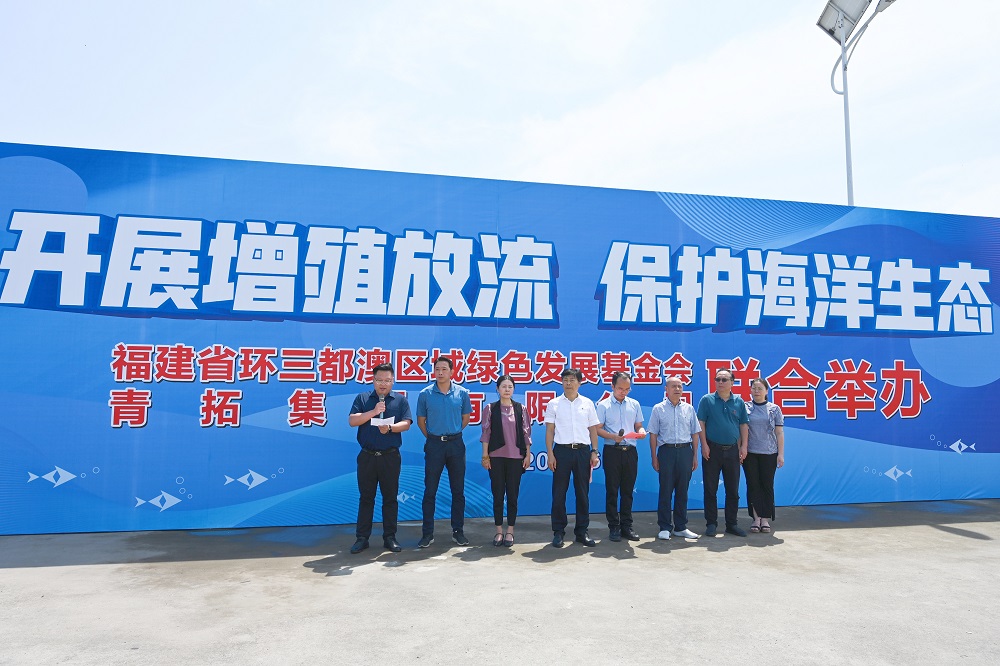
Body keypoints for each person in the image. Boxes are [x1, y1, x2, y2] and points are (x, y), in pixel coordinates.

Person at [347, 363, 412, 554]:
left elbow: (406, 423)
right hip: (367, 457)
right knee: (366, 498)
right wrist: (373, 412)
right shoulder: (363, 398)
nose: (383, 384)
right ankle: (362, 538)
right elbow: (352, 421)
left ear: (393, 381)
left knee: (390, 498)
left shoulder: (400, 400)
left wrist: (390, 428)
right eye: (379, 380)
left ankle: (390, 537)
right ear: (373, 380)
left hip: (390, 457)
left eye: (387, 380)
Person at [417, 356, 473, 547]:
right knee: (430, 490)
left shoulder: (462, 393)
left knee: (458, 490)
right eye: (437, 369)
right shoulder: (425, 394)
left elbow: (465, 418)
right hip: (434, 445)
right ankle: (427, 533)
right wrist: (434, 437)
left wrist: (453, 432)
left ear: (452, 372)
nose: (440, 373)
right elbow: (421, 421)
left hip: (456, 445)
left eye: (444, 369)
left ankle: (458, 531)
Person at [544, 368, 601, 548]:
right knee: (559, 493)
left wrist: (594, 451)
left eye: (572, 380)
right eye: (565, 380)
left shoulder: (587, 403)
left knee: (582, 493)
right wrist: (550, 454)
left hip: (583, 452)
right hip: (561, 451)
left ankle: (582, 531)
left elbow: (593, 429)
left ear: (579, 383)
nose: (568, 383)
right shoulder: (554, 403)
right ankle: (558, 531)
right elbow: (550, 430)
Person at [479, 375, 532, 547]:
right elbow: (486, 433)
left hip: (516, 458)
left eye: (510, 386)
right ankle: (498, 531)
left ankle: (510, 531)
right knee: (498, 494)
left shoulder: (520, 408)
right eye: (503, 386)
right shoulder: (490, 408)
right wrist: (485, 455)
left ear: (514, 389)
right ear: (497, 389)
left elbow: (526, 433)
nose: (507, 389)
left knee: (513, 495)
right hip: (495, 458)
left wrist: (527, 454)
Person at [697, 368, 749, 537]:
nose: (720, 382)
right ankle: (711, 523)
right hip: (712, 450)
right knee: (710, 489)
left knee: (732, 490)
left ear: (732, 382)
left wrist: (744, 446)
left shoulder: (739, 402)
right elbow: (701, 423)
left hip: (732, 450)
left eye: (724, 379)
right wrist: (704, 445)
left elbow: (743, 425)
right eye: (717, 379)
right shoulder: (707, 400)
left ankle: (731, 524)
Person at [648, 376, 702, 541]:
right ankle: (665, 527)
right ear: (666, 389)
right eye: (673, 386)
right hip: (667, 452)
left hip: (685, 451)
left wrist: (694, 455)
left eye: (680, 386)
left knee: (682, 491)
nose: (677, 389)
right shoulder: (658, 409)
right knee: (665, 490)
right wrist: (654, 457)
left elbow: (695, 433)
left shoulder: (689, 408)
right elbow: (653, 434)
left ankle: (680, 527)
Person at [595, 371, 646, 542]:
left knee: (627, 491)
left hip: (630, 451)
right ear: (612, 386)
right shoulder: (603, 405)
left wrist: (641, 431)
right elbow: (597, 429)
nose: (623, 392)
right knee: (612, 490)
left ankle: (626, 526)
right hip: (612, 451)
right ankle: (614, 526)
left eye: (627, 389)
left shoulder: (634, 404)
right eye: (620, 388)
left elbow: (638, 425)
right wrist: (613, 436)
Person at [744, 378, 785, 534]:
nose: (756, 391)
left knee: (767, 485)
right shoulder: (745, 407)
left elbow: (779, 433)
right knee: (753, 485)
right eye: (754, 388)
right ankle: (756, 518)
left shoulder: (774, 409)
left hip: (769, 453)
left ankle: (765, 519)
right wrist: (742, 448)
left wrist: (780, 454)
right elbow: (742, 429)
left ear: (766, 391)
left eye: (760, 388)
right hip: (750, 453)